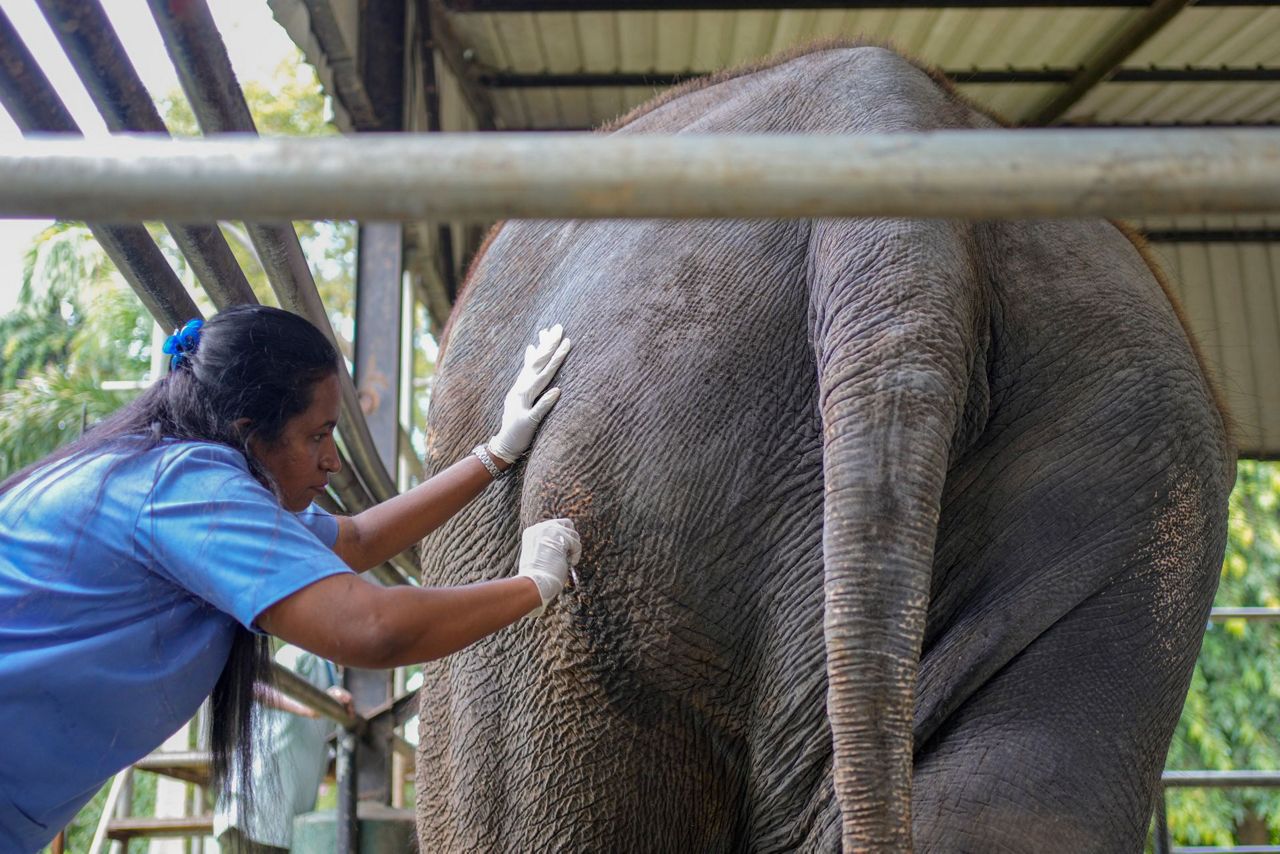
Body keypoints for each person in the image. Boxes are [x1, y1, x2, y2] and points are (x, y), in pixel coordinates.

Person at [0, 305, 579, 854]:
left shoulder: (167, 471)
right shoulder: (185, 486)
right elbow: (371, 627)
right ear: (250, 431)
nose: (333, 460)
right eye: (317, 435)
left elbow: (355, 541)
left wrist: (496, 452)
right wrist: (534, 585)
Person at [213, 646, 349, 854]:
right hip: (253, 814)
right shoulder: (302, 654)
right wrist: (309, 706)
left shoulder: (335, 681)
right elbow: (254, 686)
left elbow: (319, 753)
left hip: (284, 828)